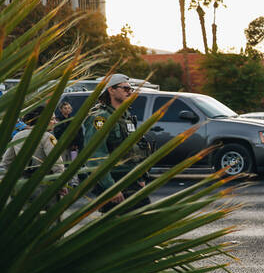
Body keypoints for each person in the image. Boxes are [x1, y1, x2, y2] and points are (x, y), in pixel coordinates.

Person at [81, 74, 152, 213]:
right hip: (114, 182)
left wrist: (140, 178)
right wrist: (110, 187)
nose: (130, 92)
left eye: (130, 89)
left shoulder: (126, 116)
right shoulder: (101, 117)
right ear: (111, 90)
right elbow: (96, 155)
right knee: (116, 228)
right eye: (125, 88)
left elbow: (134, 149)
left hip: (130, 180)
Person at [1, 105, 68, 191]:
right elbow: (57, 163)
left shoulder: (18, 136)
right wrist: (62, 185)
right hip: (43, 185)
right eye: (52, 119)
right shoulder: (47, 137)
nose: (55, 122)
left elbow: (6, 163)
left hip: (21, 185)